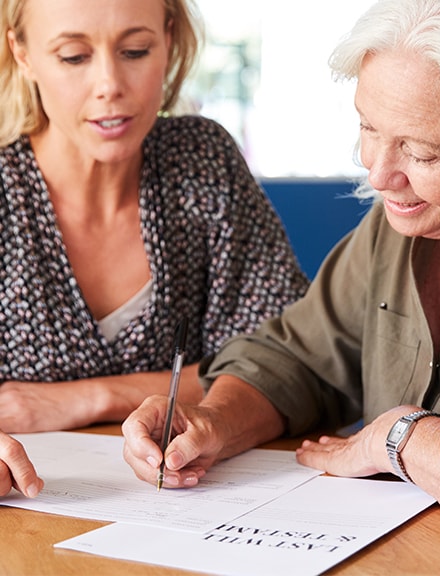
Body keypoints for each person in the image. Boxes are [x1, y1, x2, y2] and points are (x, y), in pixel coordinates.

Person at [122, 0, 440, 541]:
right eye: (369, 127)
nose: (380, 173)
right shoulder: (400, 227)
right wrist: (215, 418)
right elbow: (301, 358)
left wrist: (399, 436)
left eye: (421, 153)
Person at [0, 0, 309, 435]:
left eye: (136, 51)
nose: (109, 84)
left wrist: (94, 397)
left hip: (193, 492)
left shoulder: (202, 162)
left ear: (167, 39)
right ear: (23, 54)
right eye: (74, 56)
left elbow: (289, 365)